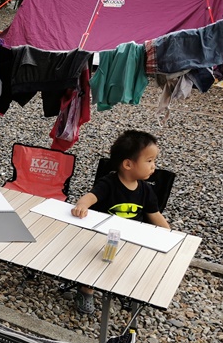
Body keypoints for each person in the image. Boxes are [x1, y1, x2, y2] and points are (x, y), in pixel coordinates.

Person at [70, 130, 170, 314]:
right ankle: (86, 290)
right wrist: (82, 205)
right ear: (128, 164)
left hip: (132, 237)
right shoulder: (109, 183)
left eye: (153, 161)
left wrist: (170, 234)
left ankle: (125, 286)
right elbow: (91, 197)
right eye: (149, 161)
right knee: (96, 261)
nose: (153, 166)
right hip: (104, 237)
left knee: (138, 260)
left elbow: (154, 214)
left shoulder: (147, 190)